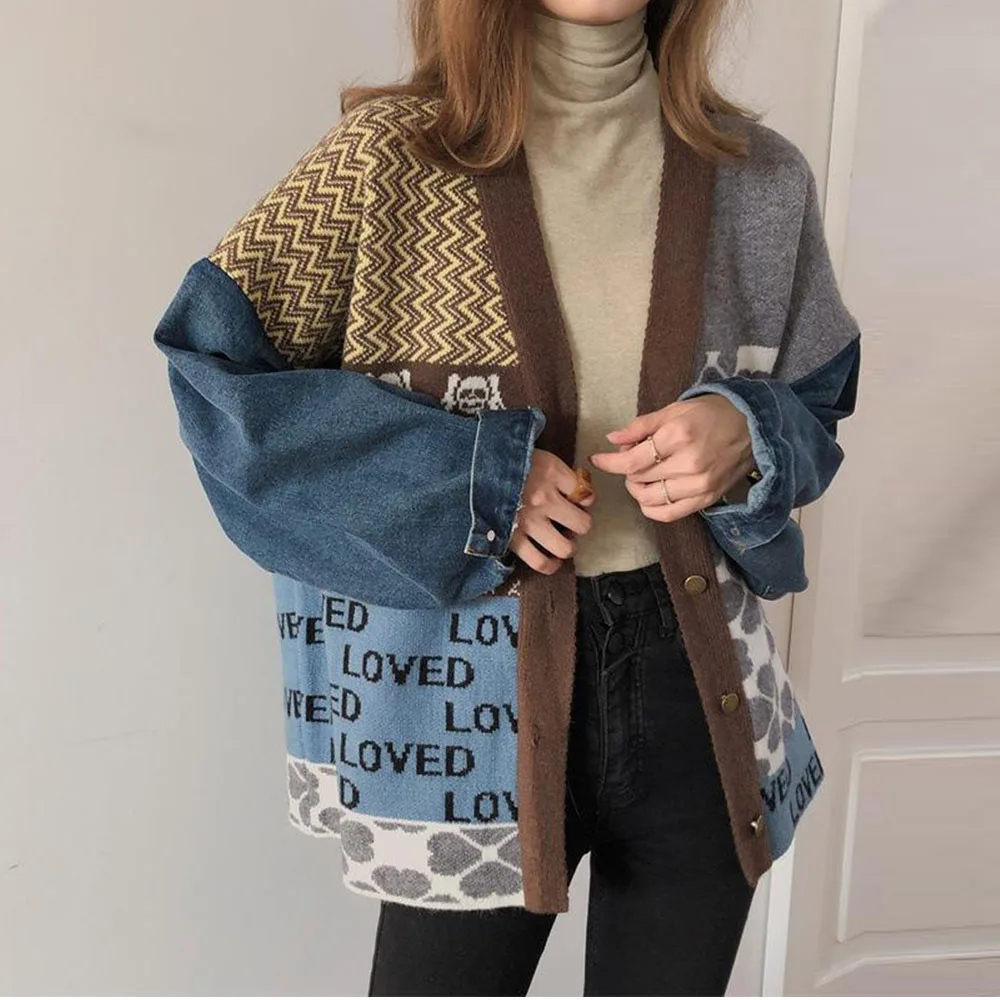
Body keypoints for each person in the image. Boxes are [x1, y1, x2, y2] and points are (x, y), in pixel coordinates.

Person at [153, 0, 861, 994]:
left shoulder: (759, 178)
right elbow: (214, 382)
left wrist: (748, 433)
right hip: (458, 709)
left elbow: (818, 401)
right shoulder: (388, 161)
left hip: (699, 689)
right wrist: (471, 485)